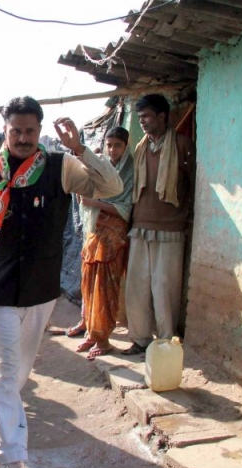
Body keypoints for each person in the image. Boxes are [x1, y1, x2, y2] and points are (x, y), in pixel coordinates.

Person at [0, 96, 122, 468]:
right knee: (6, 368)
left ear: (40, 130)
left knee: (18, 369)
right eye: (16, 131)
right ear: (4, 130)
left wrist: (80, 149)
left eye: (30, 131)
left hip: (40, 286)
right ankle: (12, 457)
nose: (23, 138)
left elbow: (111, 187)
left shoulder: (61, 165)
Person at [121, 94, 196, 356]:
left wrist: (186, 219)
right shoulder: (141, 148)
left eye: (147, 116)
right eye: (140, 117)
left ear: (162, 116)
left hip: (170, 229)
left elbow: (194, 185)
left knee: (164, 288)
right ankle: (140, 339)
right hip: (140, 226)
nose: (142, 121)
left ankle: (165, 343)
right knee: (137, 287)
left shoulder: (183, 146)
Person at [74, 127, 135, 360]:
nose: (112, 150)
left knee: (105, 285)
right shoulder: (100, 167)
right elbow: (83, 190)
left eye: (117, 145)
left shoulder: (130, 171)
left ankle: (104, 339)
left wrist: (95, 202)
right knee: (89, 281)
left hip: (114, 235)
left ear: (126, 146)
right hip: (94, 229)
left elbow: (125, 208)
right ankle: (91, 331)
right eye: (109, 145)